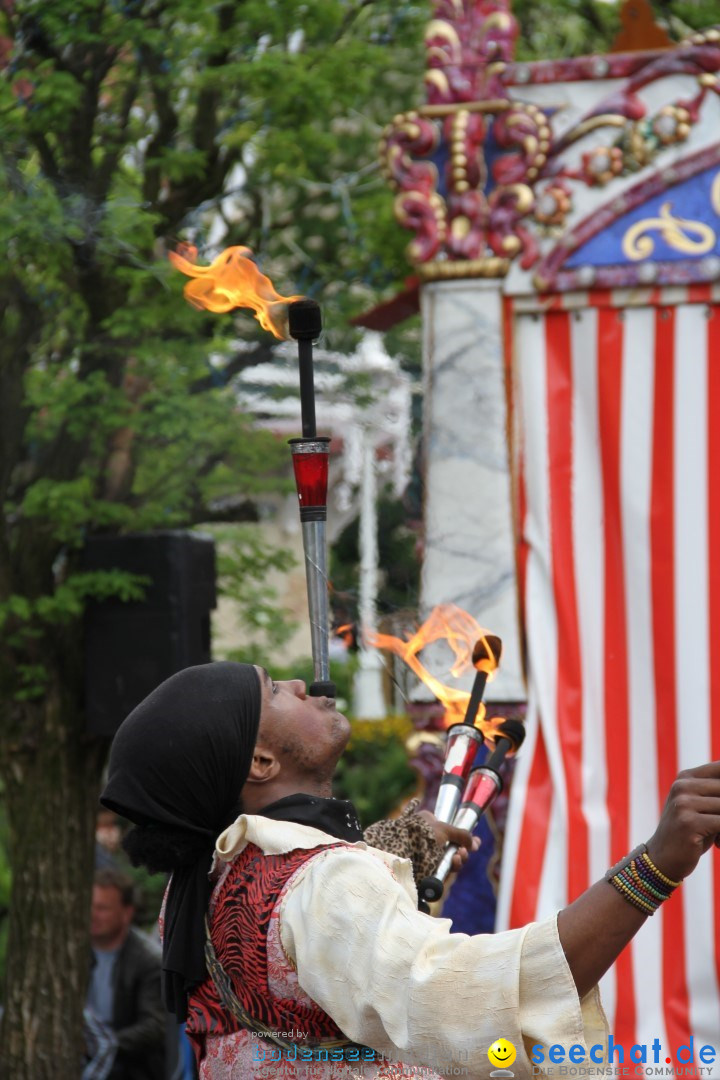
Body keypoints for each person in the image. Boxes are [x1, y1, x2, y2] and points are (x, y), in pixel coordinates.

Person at [100, 662, 720, 1078]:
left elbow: (293, 956)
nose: (297, 682)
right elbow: (481, 999)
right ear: (260, 761)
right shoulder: (324, 885)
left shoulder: (207, 880)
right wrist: (655, 865)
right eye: (271, 691)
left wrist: (391, 846)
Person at [86, 868, 166, 1080]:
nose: (93, 915)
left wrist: (102, 1045)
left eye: (102, 908)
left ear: (127, 912)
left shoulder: (148, 960)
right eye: (90, 906)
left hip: (131, 1068)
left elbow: (154, 1027)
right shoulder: (72, 951)